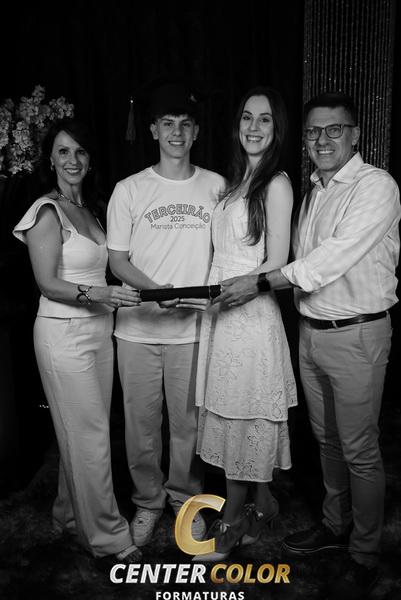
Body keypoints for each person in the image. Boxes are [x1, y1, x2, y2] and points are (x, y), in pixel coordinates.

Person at [214, 92, 401, 599]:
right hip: (312, 332)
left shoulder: (375, 185)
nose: (322, 139)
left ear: (356, 134)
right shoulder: (316, 190)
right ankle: (335, 525)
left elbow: (327, 261)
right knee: (328, 441)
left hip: (357, 332)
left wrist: (258, 282)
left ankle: (364, 551)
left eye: (334, 130)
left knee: (359, 448)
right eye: (315, 131)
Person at [13, 118, 142, 566]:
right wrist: (102, 294)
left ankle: (68, 515)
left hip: (98, 332)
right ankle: (108, 537)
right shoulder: (45, 211)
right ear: (50, 159)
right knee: (90, 436)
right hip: (63, 334)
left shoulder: (90, 209)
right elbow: (48, 284)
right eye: (64, 152)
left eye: (81, 151)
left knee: (85, 430)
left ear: (90, 159)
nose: (73, 160)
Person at [106, 83, 225, 547]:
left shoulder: (216, 186)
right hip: (137, 329)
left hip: (191, 330)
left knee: (188, 425)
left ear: (196, 133)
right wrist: (155, 292)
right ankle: (147, 501)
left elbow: (228, 252)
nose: (177, 132)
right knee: (140, 425)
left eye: (185, 124)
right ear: (154, 130)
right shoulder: (129, 189)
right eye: (168, 123)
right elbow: (117, 260)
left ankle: (185, 499)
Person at [192, 86, 297, 562]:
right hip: (223, 316)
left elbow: (278, 261)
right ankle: (264, 504)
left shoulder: (276, 184)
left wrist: (241, 288)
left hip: (251, 316)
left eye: (265, 119)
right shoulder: (235, 184)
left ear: (277, 129)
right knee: (236, 412)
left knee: (242, 415)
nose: (254, 127)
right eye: (247, 118)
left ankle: (232, 520)